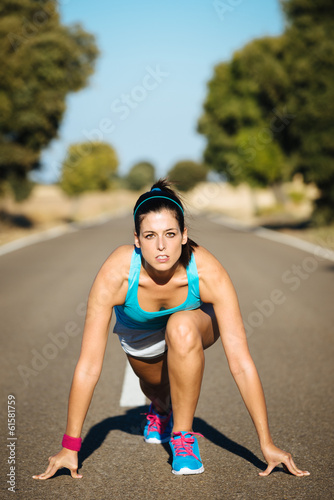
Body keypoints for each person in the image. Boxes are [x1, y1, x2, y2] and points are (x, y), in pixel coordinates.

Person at [33, 178, 310, 479]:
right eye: (150, 235)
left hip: (193, 327)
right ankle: (160, 410)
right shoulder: (118, 274)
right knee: (157, 390)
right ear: (137, 239)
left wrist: (266, 443)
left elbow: (241, 363)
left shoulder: (206, 271)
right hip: (140, 338)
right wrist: (70, 446)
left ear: (184, 236)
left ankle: (183, 438)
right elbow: (88, 366)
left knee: (181, 326)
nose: (161, 246)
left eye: (170, 234)